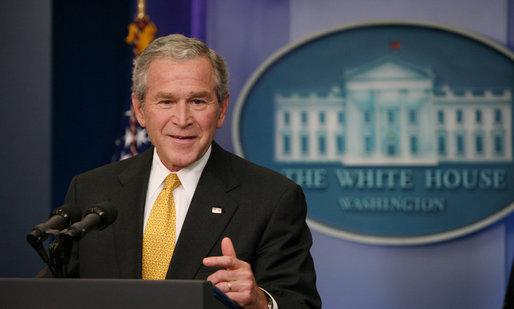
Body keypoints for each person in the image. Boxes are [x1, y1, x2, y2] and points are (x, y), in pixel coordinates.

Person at [55, 34, 321, 309]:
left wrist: (261, 302)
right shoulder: (91, 189)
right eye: (166, 101)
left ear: (221, 109)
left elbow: (300, 303)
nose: (182, 120)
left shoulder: (272, 198)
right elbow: (54, 293)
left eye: (197, 101)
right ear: (140, 110)